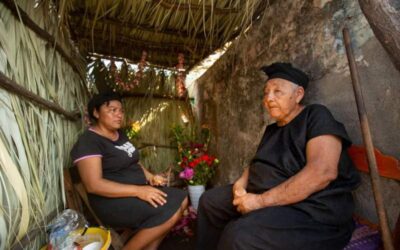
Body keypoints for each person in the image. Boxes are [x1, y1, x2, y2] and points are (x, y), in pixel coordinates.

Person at [196, 62, 361, 250]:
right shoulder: (272, 129)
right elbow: (256, 163)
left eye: (277, 92)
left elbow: (322, 172)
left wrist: (258, 202)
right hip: (267, 194)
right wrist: (240, 185)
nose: (269, 98)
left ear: (298, 94)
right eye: (266, 93)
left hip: (311, 210)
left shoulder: (316, 116)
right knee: (210, 202)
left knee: (240, 235)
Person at [71, 93, 188, 250]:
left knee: (182, 199)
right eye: (112, 110)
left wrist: (150, 176)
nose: (119, 115)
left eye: (121, 110)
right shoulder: (89, 142)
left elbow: (133, 159)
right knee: (169, 213)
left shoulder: (120, 135)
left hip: (137, 191)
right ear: (96, 113)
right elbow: (94, 185)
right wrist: (138, 191)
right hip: (112, 201)